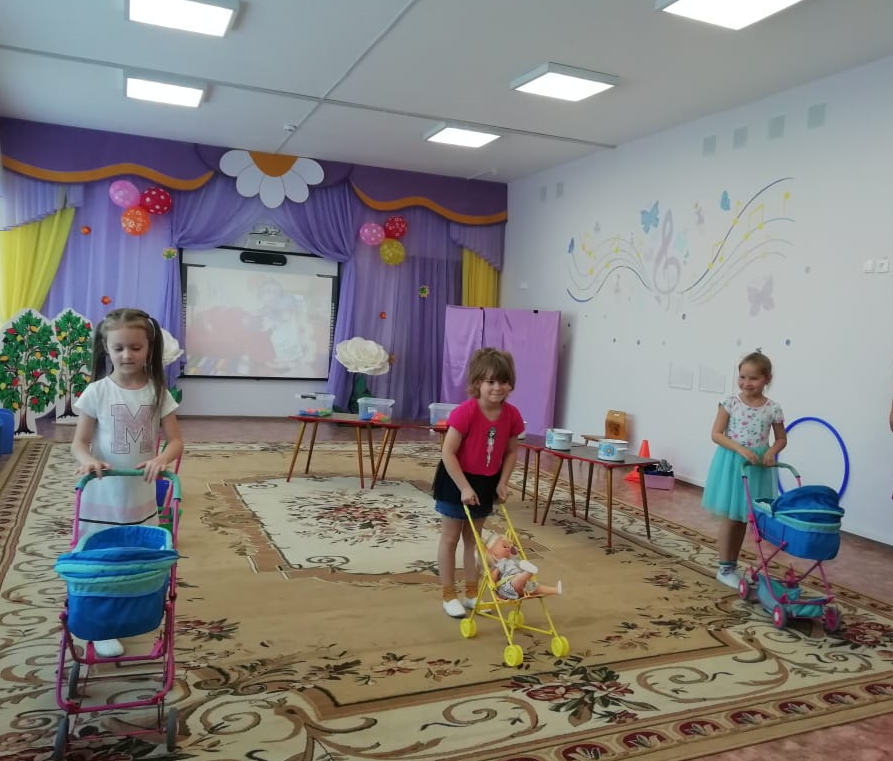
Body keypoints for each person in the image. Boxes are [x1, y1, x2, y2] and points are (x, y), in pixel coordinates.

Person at [70, 308, 184, 657]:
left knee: (136, 558)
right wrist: (88, 460)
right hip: (103, 495)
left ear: (149, 348)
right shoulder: (97, 392)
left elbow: (176, 442)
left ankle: (133, 611)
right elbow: (79, 443)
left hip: (140, 496)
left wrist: (161, 459)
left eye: (135, 347)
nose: (127, 355)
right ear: (106, 348)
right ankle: (101, 626)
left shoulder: (158, 392)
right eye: (118, 348)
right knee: (102, 558)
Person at [432, 348, 525, 618]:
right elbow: (448, 453)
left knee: (474, 540)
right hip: (456, 479)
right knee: (450, 538)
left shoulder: (512, 415)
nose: (498, 388)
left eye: (503, 381)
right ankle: (449, 595)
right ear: (477, 383)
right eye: (490, 381)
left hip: (486, 482)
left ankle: (472, 593)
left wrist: (503, 482)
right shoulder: (466, 412)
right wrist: (463, 486)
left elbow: (511, 452)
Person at [702, 351, 786, 589]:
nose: (746, 383)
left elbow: (781, 439)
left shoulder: (773, 408)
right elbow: (716, 434)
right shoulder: (730, 403)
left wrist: (771, 451)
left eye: (753, 378)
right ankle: (724, 567)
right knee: (731, 517)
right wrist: (740, 449)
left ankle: (732, 564)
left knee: (743, 518)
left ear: (767, 379)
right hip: (732, 463)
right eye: (742, 377)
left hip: (756, 467)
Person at [485, 532, 562, 599]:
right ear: (492, 551)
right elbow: (492, 578)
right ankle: (529, 572)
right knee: (516, 580)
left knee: (535, 587)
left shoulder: (511, 561)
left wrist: (510, 546)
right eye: (504, 546)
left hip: (523, 586)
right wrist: (494, 584)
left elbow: (514, 552)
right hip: (509, 587)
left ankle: (555, 590)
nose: (507, 548)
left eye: (508, 547)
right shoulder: (498, 565)